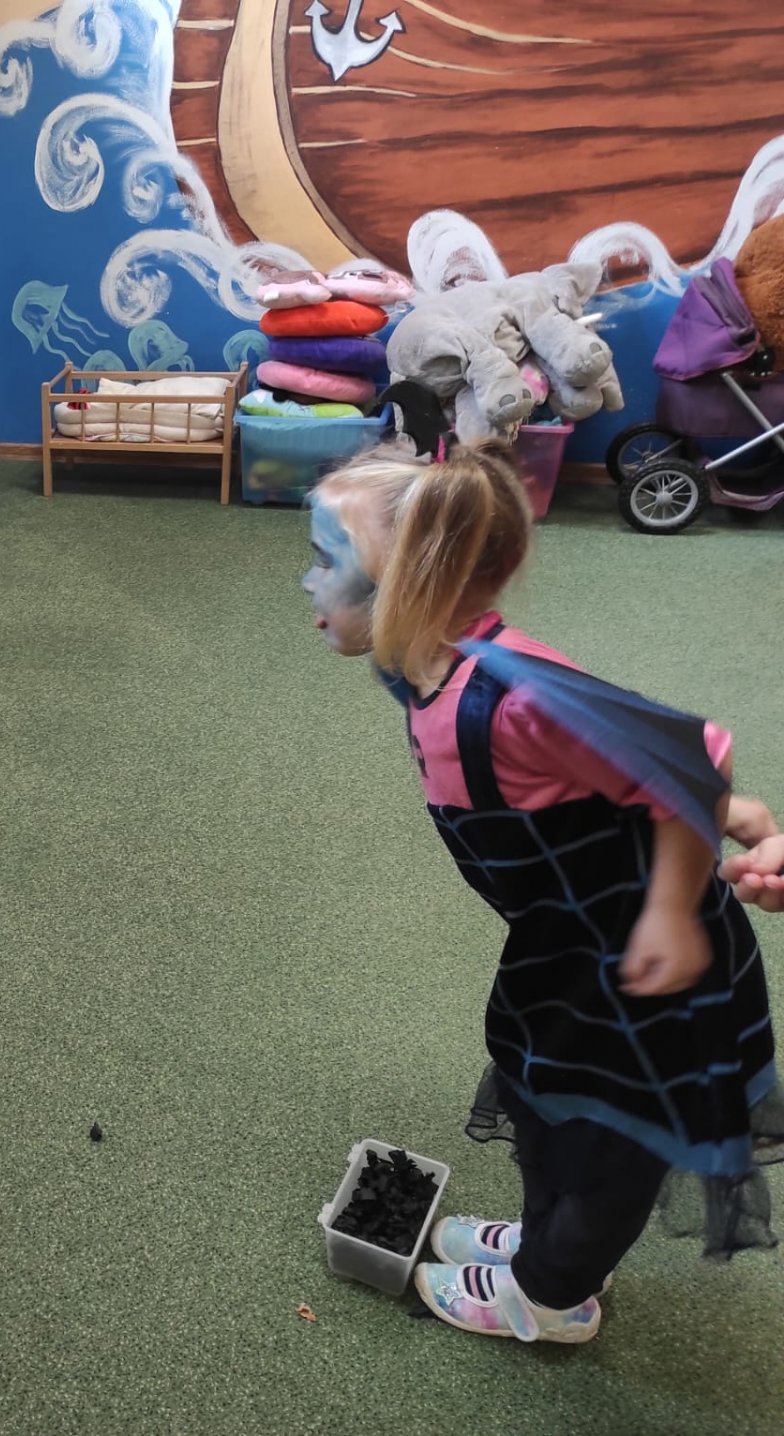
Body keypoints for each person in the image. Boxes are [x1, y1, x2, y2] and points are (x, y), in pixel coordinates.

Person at [303, 442, 780, 1344]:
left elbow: (697, 753)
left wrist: (672, 908)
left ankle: (554, 1299)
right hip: (567, 945)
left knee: (609, 1147)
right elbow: (641, 770)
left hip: (649, 968)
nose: (307, 581)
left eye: (328, 560)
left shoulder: (513, 700)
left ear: (415, 587)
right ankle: (544, 1247)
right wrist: (734, 814)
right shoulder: (417, 666)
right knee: (545, 1107)